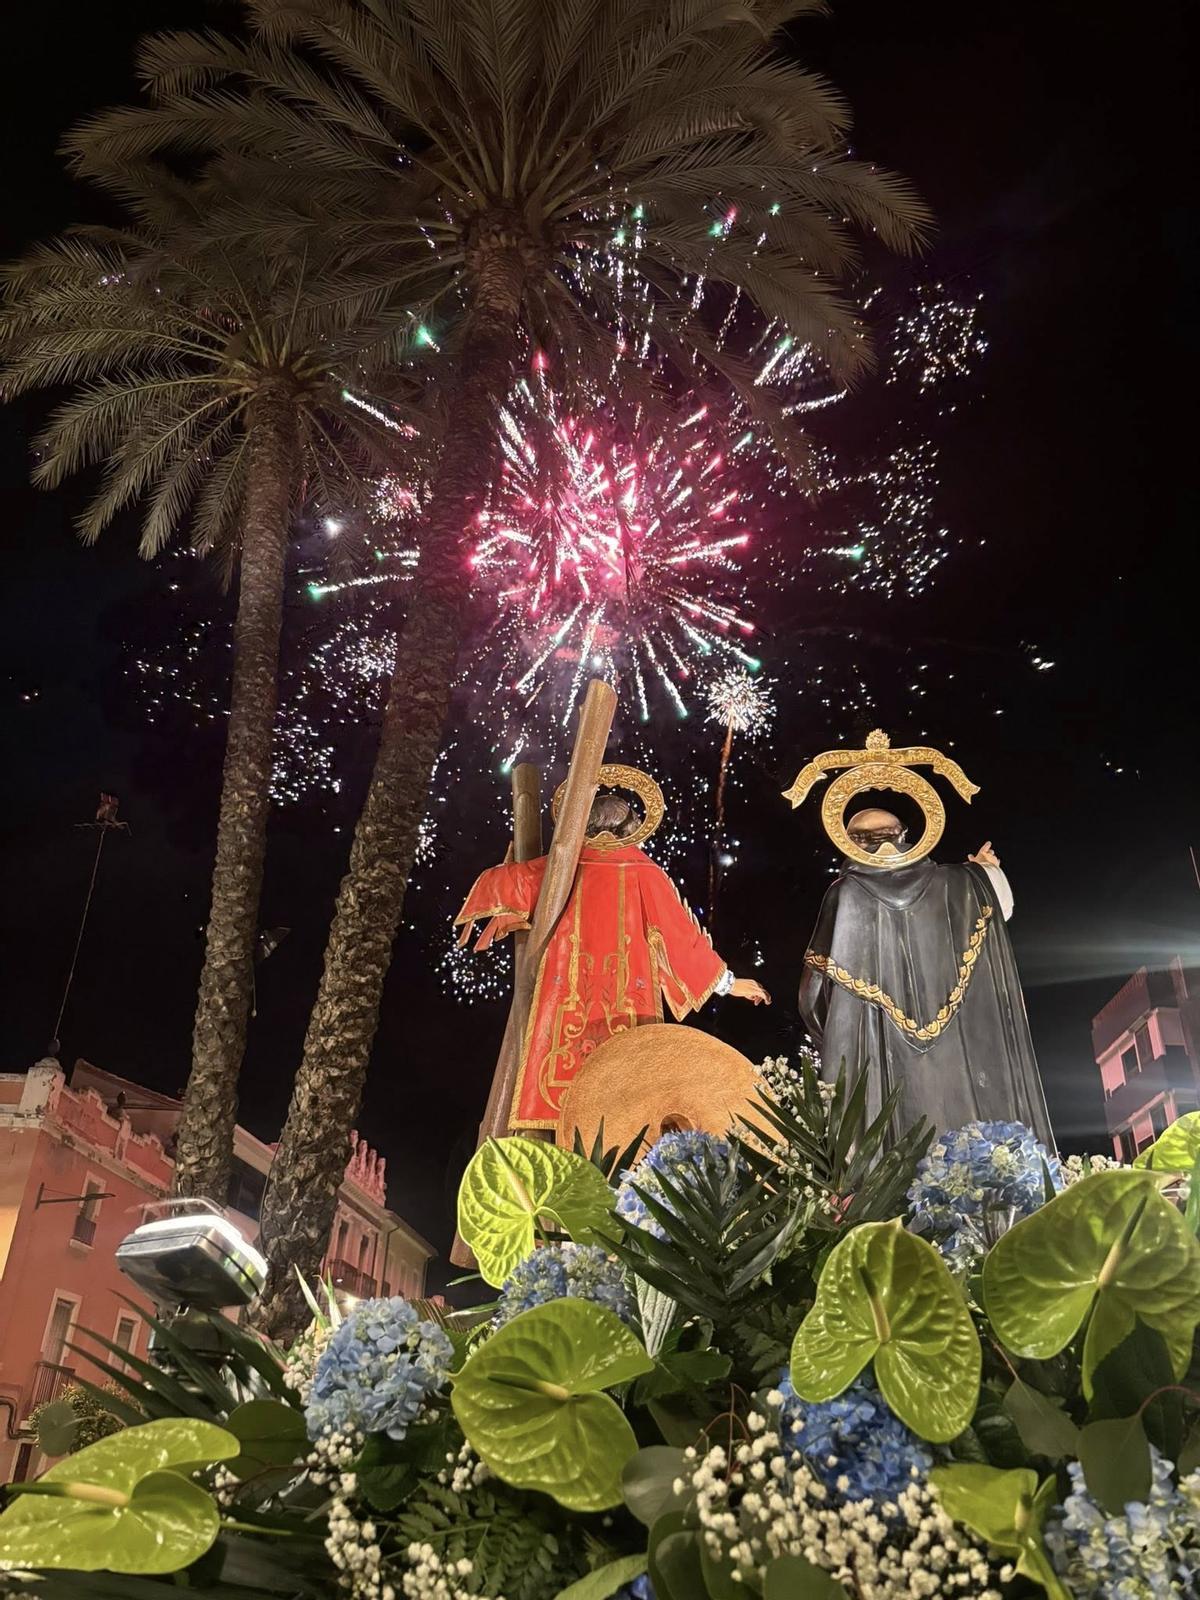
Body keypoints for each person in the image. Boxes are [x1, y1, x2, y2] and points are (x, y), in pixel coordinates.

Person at [456, 792, 769, 1130]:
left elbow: (507, 883)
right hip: (627, 1005)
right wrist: (729, 984)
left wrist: (510, 865)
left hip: (564, 997)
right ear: (629, 827)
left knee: (558, 1096)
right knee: (625, 1112)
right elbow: (681, 938)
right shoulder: (642, 871)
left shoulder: (563, 862)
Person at [798, 807, 1054, 1146]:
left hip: (879, 1053)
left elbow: (812, 997)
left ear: (848, 844)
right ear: (905, 835)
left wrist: (828, 1038)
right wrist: (983, 872)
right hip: (961, 1054)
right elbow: (1000, 907)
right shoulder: (961, 883)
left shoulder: (845, 894)